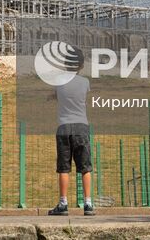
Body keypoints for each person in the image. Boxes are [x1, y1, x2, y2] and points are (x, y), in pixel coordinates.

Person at [48, 47, 94, 216]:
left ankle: (63, 203)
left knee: (64, 167)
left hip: (63, 127)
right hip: (81, 125)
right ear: (81, 65)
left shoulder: (58, 81)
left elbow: (55, 95)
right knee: (85, 167)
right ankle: (88, 203)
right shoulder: (85, 82)